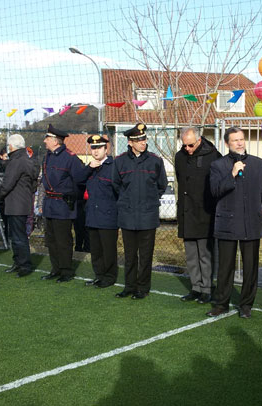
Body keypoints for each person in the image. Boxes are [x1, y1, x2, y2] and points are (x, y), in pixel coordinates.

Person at [206, 127, 262, 318]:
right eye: (235, 140)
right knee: (225, 268)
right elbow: (215, 191)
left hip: (251, 222)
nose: (239, 143)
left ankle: (246, 305)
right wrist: (231, 173)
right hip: (227, 224)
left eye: (241, 139)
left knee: (250, 267)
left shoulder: (257, 164)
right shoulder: (218, 165)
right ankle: (221, 303)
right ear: (227, 143)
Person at [112, 123, 167, 299]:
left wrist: (148, 201)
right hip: (127, 215)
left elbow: (162, 185)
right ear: (130, 142)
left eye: (144, 139)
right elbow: (116, 185)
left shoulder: (155, 161)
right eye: (138, 140)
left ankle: (143, 288)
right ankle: (129, 287)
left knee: (145, 255)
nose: (143, 142)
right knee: (129, 255)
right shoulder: (120, 161)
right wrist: (127, 201)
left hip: (148, 216)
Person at [174, 126, 221, 304]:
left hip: (205, 213)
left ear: (199, 140)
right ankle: (196, 287)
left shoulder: (213, 156)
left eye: (191, 145)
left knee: (205, 255)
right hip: (187, 213)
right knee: (191, 255)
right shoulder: (180, 157)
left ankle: (207, 289)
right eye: (184, 145)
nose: (188, 149)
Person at [40, 125, 86, 282]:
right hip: (49, 204)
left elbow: (80, 180)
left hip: (63, 204)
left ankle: (66, 271)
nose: (45, 141)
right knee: (51, 240)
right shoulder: (48, 156)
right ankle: (56, 269)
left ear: (55, 141)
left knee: (63, 240)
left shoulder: (70, 158)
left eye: (47, 138)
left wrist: (72, 197)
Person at [79, 134, 119, 288]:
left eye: (99, 148)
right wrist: (89, 168)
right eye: (93, 148)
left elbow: (119, 191)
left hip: (108, 216)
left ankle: (109, 277)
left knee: (108, 250)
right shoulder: (90, 167)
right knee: (95, 250)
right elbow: (78, 180)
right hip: (92, 215)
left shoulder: (113, 166)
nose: (95, 151)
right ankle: (99, 275)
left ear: (106, 149)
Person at [0, 134, 39, 277]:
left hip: (15, 203)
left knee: (18, 236)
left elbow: (8, 183)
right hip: (22, 201)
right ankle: (19, 262)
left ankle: (24, 265)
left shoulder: (16, 161)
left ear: (11, 146)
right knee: (17, 235)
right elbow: (33, 182)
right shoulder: (28, 159)